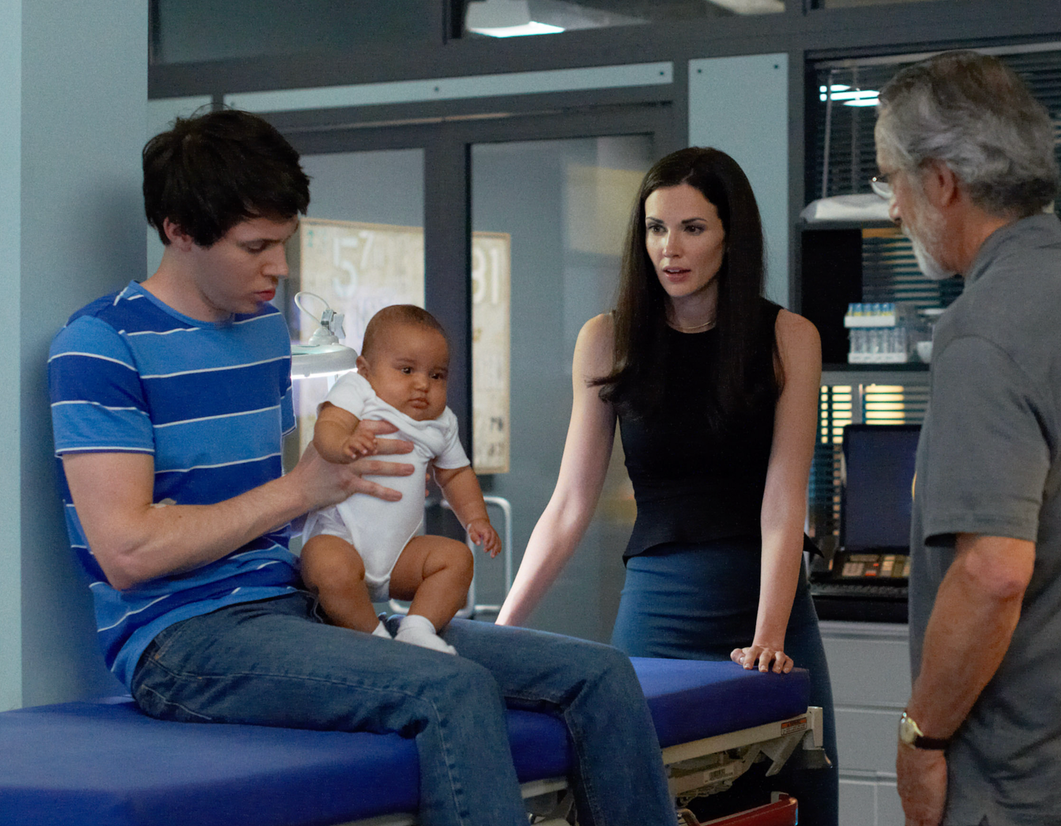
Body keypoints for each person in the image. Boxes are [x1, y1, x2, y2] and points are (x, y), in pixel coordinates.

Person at [48, 108, 675, 826]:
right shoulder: (99, 346)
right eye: (256, 247)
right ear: (179, 231)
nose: (278, 269)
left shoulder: (259, 333)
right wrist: (300, 491)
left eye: (283, 243)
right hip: (182, 638)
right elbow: (127, 552)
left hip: (297, 605)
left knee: (601, 674)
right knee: (451, 688)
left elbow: (281, 502)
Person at [875, 51, 1061, 826]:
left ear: (941, 181)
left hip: (1026, 784)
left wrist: (920, 738)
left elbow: (992, 574)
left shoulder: (987, 329)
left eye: (891, 181)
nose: (892, 209)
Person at [494, 146, 836, 824]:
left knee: (794, 806)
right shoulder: (607, 340)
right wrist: (501, 634)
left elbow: (783, 501)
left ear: (730, 233)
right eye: (655, 228)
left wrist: (769, 635)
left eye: (692, 228)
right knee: (640, 805)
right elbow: (569, 503)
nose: (669, 248)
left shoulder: (788, 338)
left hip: (765, 603)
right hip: (658, 607)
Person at [300, 304, 501, 654]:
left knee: (456, 559)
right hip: (341, 537)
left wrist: (476, 518)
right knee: (327, 565)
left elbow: (455, 475)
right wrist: (343, 444)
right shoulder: (359, 391)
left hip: (399, 556)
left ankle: (417, 628)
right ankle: (376, 640)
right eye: (407, 370)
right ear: (365, 369)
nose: (422, 384)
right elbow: (327, 428)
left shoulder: (442, 423)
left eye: (437, 376)